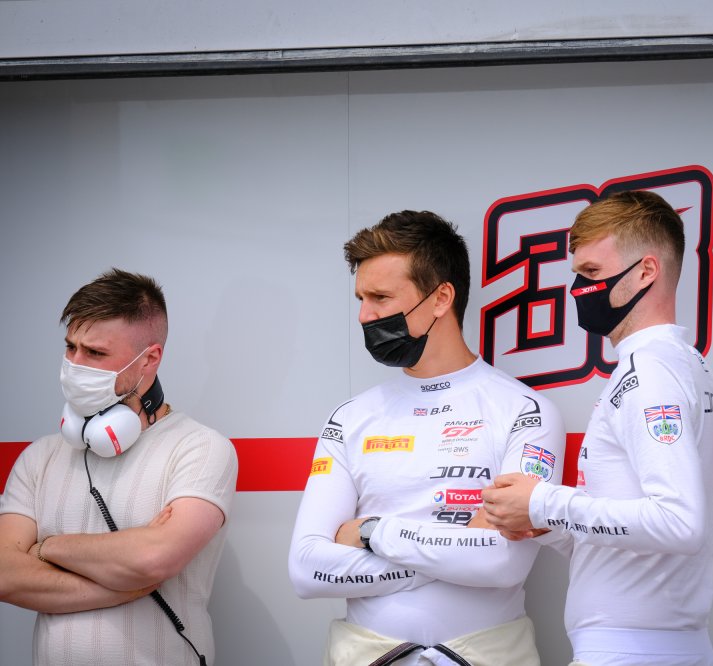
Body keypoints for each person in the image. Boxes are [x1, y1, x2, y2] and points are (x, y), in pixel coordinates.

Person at [288, 210, 566, 665]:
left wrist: (373, 533)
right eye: (361, 298)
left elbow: (502, 563)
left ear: (441, 298)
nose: (364, 315)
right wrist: (451, 557)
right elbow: (306, 570)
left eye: (380, 297)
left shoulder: (526, 411)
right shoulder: (350, 418)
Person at [482, 190, 713, 666]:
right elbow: (630, 529)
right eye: (577, 274)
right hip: (651, 644)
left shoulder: (651, 371)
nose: (578, 289)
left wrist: (544, 502)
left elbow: (679, 524)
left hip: (631, 650)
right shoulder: (678, 364)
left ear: (647, 270)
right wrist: (542, 522)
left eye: (592, 273)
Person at [0, 268, 238, 666]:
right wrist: (119, 587)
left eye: (95, 353)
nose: (74, 364)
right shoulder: (40, 457)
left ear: (150, 359)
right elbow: (5, 574)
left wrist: (47, 547)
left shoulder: (199, 448)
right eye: (70, 347)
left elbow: (153, 559)